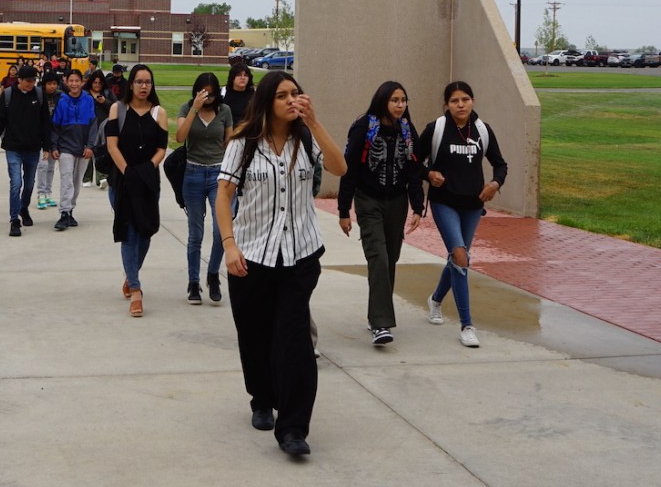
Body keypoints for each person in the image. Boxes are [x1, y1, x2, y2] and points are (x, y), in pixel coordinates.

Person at [215, 71, 346, 457]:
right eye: (283, 95)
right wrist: (229, 246)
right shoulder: (244, 143)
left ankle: (293, 429)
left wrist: (315, 121)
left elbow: (340, 168)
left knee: (294, 341)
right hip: (251, 256)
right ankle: (260, 398)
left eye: (297, 94)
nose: (292, 100)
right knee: (255, 335)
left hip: (300, 256)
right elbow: (224, 196)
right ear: (267, 102)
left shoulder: (306, 138)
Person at [417, 80, 508, 348]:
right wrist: (428, 174)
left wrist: (495, 184)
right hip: (444, 202)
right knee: (459, 255)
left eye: (465, 99)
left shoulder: (482, 130)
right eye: (455, 100)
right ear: (447, 104)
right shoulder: (437, 129)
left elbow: (500, 164)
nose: (460, 104)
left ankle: (435, 300)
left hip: (472, 205)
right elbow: (413, 159)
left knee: (460, 259)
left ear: (473, 101)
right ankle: (467, 325)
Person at [337, 81, 425, 345]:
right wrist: (344, 210)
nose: (400, 105)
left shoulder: (407, 130)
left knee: (391, 258)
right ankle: (381, 323)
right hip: (368, 201)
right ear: (382, 101)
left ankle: (376, 313)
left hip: (396, 202)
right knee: (378, 256)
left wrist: (417, 206)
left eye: (404, 100)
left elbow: (413, 170)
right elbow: (348, 169)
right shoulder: (364, 127)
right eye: (395, 100)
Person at [106, 64, 168, 317]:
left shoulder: (159, 113)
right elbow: (112, 145)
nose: (144, 86)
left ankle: (131, 275)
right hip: (122, 182)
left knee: (146, 232)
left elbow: (162, 148)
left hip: (148, 183)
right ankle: (136, 289)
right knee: (130, 232)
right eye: (139, 81)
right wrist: (128, 172)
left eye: (148, 82)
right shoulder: (117, 109)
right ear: (130, 84)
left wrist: (146, 169)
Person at [175, 71, 234, 305]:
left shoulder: (225, 111)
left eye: (211, 94)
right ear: (197, 91)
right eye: (203, 93)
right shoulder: (186, 108)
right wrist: (194, 109)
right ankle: (193, 282)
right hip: (193, 173)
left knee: (221, 231)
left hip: (219, 175)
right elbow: (180, 137)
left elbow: (229, 143)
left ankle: (213, 274)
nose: (207, 98)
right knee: (195, 233)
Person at [0, 64, 53, 236]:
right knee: (16, 183)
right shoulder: (8, 96)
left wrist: (47, 146)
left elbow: (46, 122)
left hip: (33, 148)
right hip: (13, 147)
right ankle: (14, 220)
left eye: (34, 80)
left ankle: (24, 208)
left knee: (30, 183)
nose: (31, 84)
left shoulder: (39, 95)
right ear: (20, 80)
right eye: (28, 81)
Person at [50, 68, 97, 230]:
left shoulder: (88, 100)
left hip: (83, 148)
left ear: (82, 82)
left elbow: (93, 125)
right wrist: (54, 146)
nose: (74, 84)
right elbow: (55, 126)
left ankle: (70, 209)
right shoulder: (62, 101)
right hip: (65, 147)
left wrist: (90, 146)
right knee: (66, 179)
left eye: (77, 80)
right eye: (71, 81)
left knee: (77, 181)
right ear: (66, 82)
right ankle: (63, 212)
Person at [33, 71, 63, 209]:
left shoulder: (61, 97)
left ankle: (48, 193)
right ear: (44, 84)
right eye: (49, 84)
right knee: (42, 165)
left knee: (51, 167)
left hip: (55, 136)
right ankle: (40, 194)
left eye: (55, 84)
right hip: (40, 135)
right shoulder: (38, 95)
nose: (52, 86)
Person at [84, 71, 115, 187]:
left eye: (99, 83)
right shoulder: (85, 93)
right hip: (88, 125)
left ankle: (102, 177)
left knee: (100, 151)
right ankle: (86, 178)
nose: (97, 85)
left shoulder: (107, 92)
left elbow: (116, 106)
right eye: (95, 82)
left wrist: (105, 102)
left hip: (103, 125)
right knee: (88, 150)